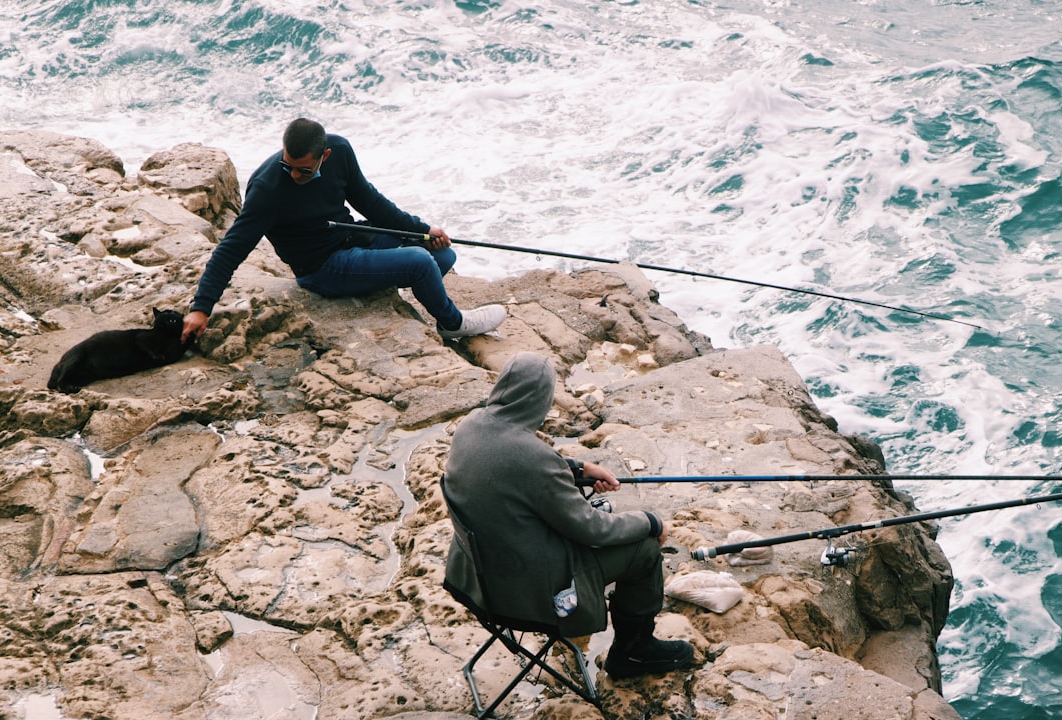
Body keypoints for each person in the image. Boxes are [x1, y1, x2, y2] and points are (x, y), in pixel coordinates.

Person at [442, 351, 695, 680]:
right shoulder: (532, 457)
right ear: (541, 400)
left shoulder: (471, 425)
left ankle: (633, 647)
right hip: (526, 596)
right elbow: (594, 530)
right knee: (644, 550)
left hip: (477, 581)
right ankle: (633, 653)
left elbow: (513, 468)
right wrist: (651, 521)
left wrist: (577, 468)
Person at [182, 117, 506, 344]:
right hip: (321, 268)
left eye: (303, 170)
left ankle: (387, 281)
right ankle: (453, 324)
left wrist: (422, 229)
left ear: (325, 156)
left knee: (441, 254)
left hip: (353, 239)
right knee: (421, 263)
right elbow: (230, 250)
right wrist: (201, 308)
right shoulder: (267, 190)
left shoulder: (341, 152)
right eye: (287, 166)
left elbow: (372, 203)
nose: (293, 175)